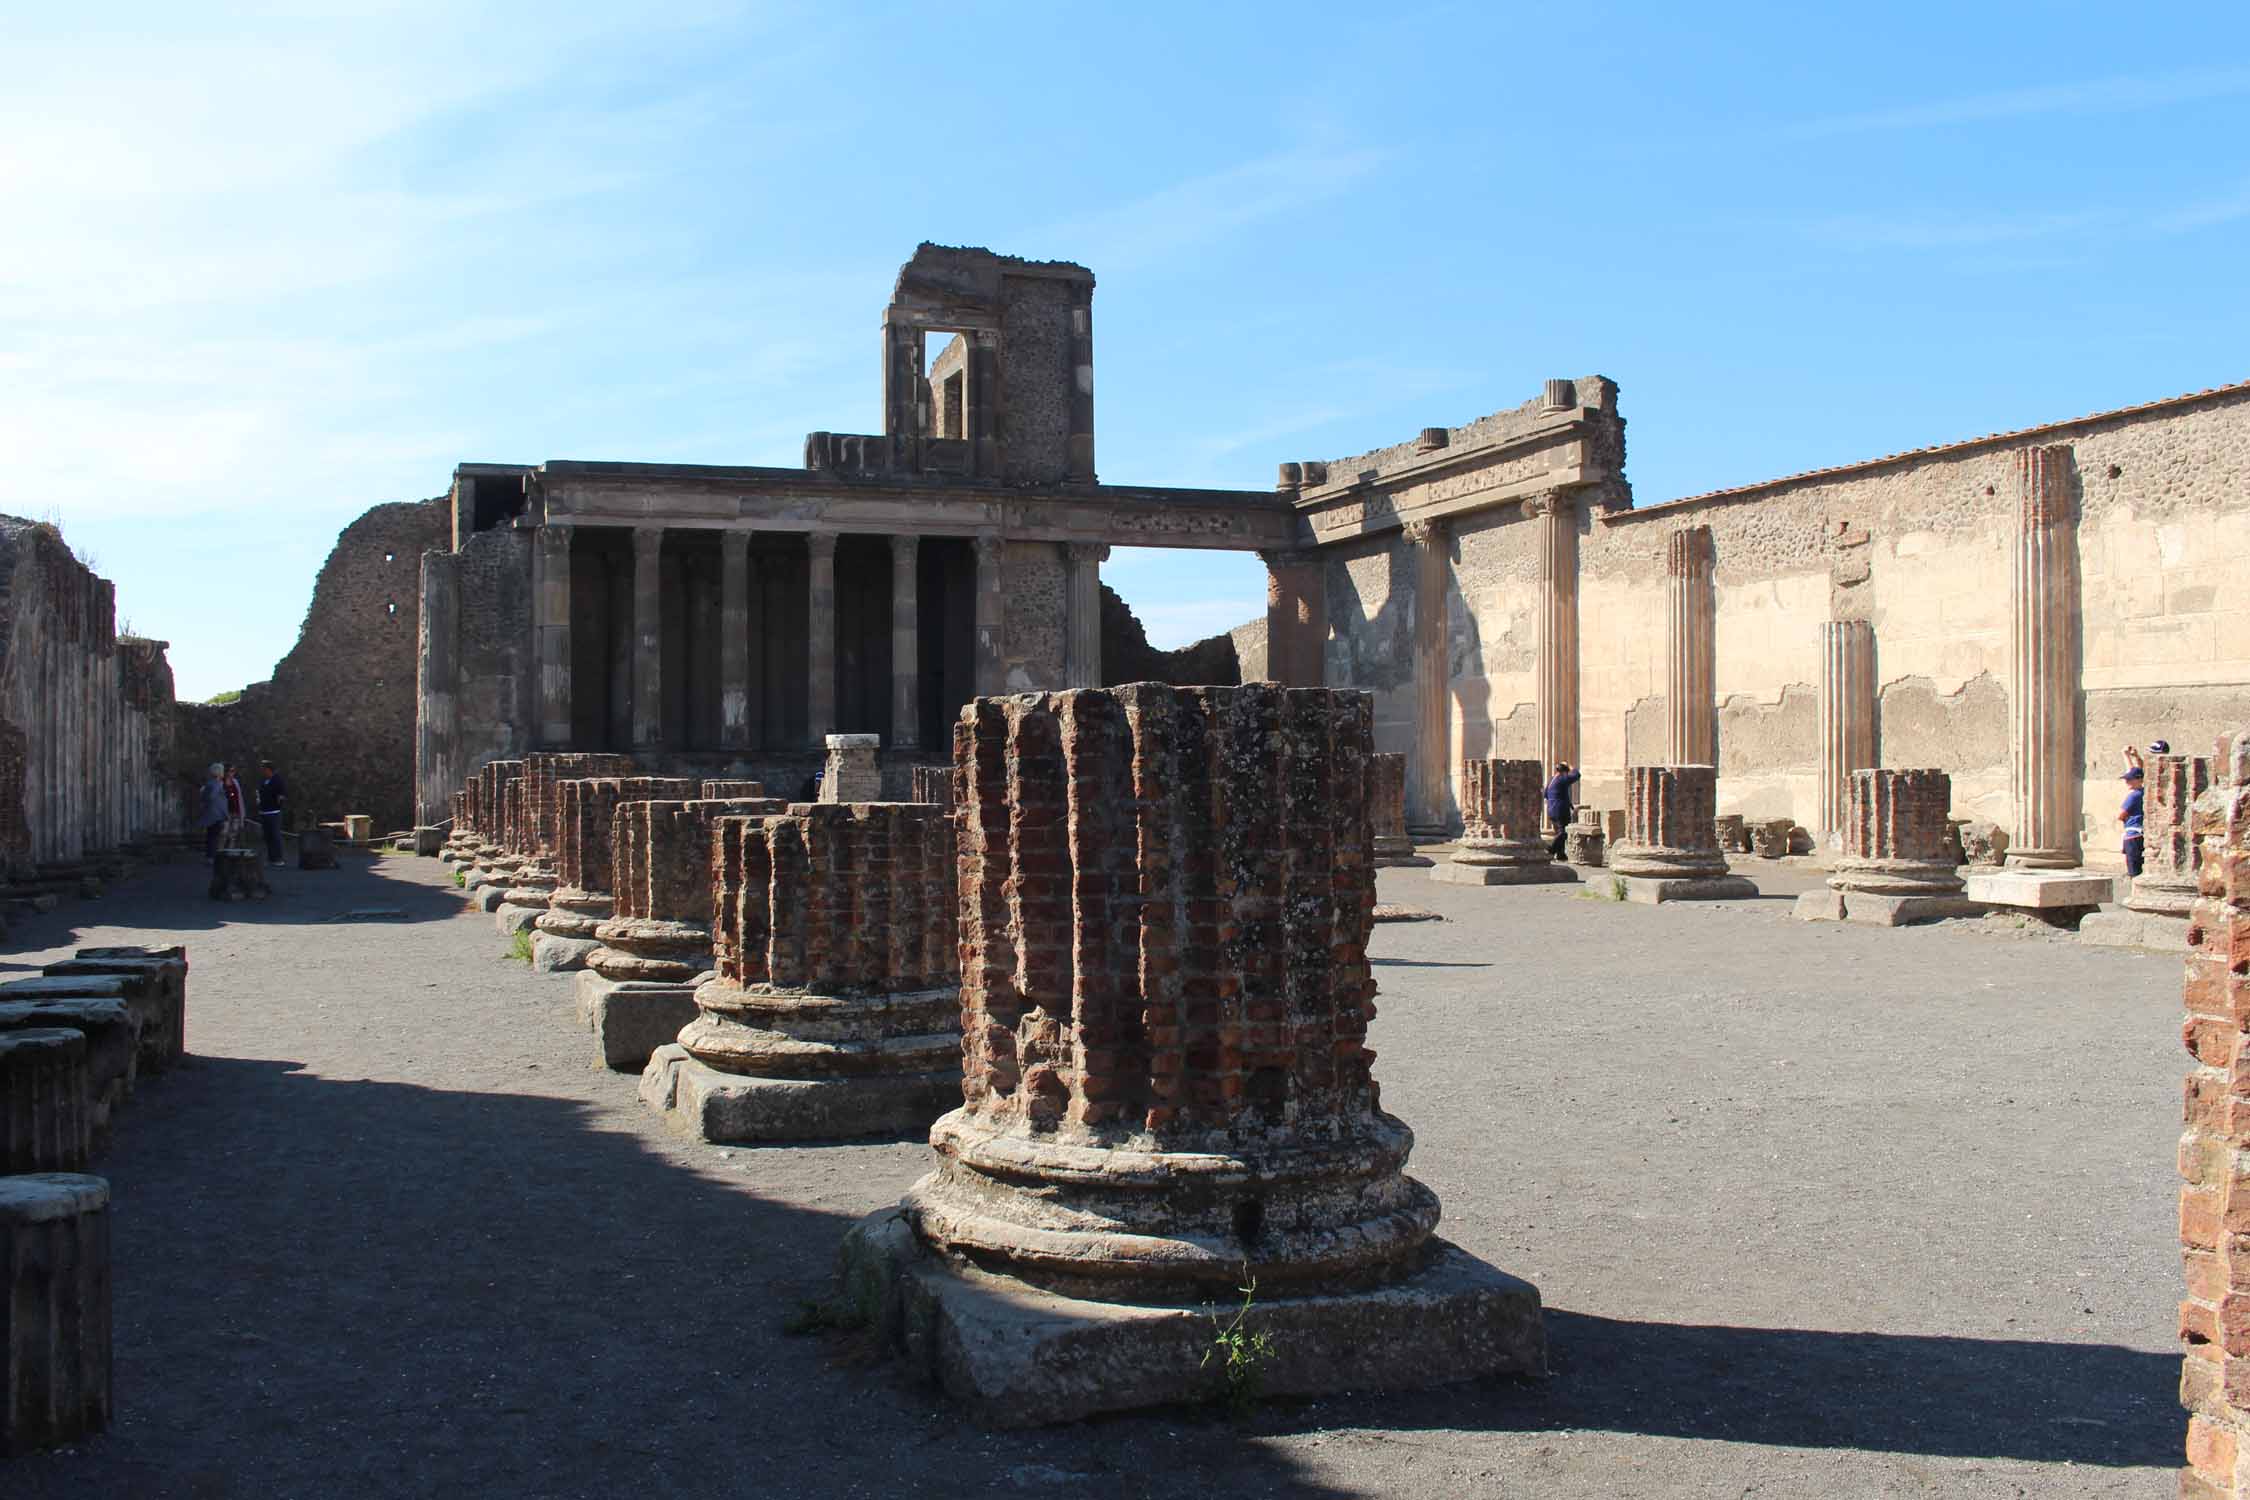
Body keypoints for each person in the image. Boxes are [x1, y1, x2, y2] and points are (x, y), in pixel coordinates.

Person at [1543, 761, 1581, 860]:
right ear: (1564, 771)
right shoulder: (1562, 778)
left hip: (1551, 810)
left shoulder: (1551, 779)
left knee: (1558, 832)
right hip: (1560, 810)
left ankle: (1561, 854)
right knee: (1563, 833)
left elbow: (1545, 794)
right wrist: (1573, 768)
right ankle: (1551, 848)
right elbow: (1576, 775)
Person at [2119, 745, 2147, 878]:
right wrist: (2128, 756)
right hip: (2139, 833)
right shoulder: (2143, 791)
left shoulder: (2134, 795)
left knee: (2134, 872)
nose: (2127, 782)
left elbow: (2121, 815)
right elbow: (2138, 772)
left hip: (2132, 834)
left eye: (2129, 780)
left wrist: (2130, 756)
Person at [256, 759, 288, 867]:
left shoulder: (277, 780)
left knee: (275, 835)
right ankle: (271, 858)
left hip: (273, 812)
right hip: (264, 812)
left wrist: (278, 804)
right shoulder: (264, 781)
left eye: (263, 769)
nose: (262, 771)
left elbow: (281, 795)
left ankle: (278, 858)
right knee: (268, 836)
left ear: (269, 769)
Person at [196, 764, 228, 863]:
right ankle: (212, 857)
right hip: (216, 814)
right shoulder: (218, 784)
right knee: (214, 836)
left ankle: (210, 856)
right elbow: (212, 797)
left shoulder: (209, 783)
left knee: (211, 836)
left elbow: (204, 797)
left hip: (211, 813)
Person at [221, 764, 247, 846]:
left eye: (233, 771)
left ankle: (230, 850)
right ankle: (220, 850)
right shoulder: (221, 782)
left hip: (235, 810)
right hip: (225, 811)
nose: (232, 773)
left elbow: (239, 797)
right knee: (224, 832)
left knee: (234, 832)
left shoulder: (235, 782)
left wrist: (242, 812)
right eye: (230, 771)